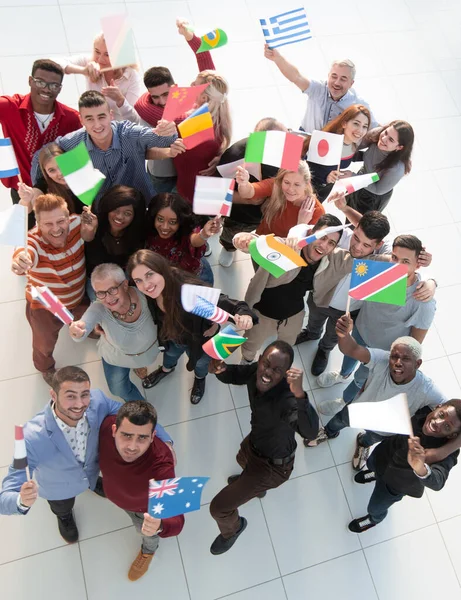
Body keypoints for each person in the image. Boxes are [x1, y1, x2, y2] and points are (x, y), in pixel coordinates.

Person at [0, 366, 173, 544]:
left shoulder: (97, 400)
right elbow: (6, 493)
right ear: (53, 395)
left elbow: (131, 414)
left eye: (84, 394)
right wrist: (21, 501)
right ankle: (64, 517)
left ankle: (92, 484)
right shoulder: (31, 437)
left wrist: (164, 440)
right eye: (70, 396)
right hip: (59, 489)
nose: (80, 404)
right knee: (62, 507)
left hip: (90, 471)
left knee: (93, 479)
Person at [208, 341, 318, 554]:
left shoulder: (288, 401)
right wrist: (221, 370)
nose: (268, 373)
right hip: (255, 443)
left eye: (277, 370)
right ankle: (255, 488)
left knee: (219, 508)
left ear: (286, 374)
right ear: (259, 361)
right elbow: (236, 374)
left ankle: (233, 530)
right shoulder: (256, 372)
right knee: (241, 458)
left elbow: (311, 432)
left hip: (273, 467)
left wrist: (300, 396)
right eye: (266, 364)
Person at [306, 319, 449, 468]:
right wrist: (344, 334)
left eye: (406, 359)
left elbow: (455, 413)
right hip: (359, 409)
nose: (398, 362)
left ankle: (363, 443)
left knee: (370, 438)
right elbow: (352, 349)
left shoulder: (426, 389)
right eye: (394, 356)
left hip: (385, 428)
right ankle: (329, 432)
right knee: (338, 421)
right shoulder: (382, 359)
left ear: (417, 364)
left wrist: (447, 449)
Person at [318, 234, 437, 408]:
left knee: (361, 379)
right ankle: (342, 374)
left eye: (405, 262)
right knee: (348, 356)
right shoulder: (381, 271)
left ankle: (344, 400)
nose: (396, 265)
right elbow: (368, 234)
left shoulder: (423, 301)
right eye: (394, 257)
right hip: (361, 329)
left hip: (381, 351)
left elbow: (414, 344)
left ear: (418, 264)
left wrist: (432, 281)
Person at [127, 250, 256, 404]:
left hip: (199, 339)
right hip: (171, 336)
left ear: (162, 269)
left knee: (201, 364)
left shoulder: (188, 290)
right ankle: (166, 369)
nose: (146, 285)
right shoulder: (148, 293)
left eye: (149, 275)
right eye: (138, 280)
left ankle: (200, 380)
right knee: (170, 354)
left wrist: (245, 315)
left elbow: (231, 304)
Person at [31, 90, 178, 211]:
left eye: (101, 117)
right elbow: (40, 157)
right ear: (81, 120)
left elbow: (165, 140)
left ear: (111, 115)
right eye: (89, 119)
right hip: (102, 213)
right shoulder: (73, 142)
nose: (97, 125)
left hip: (141, 207)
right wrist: (37, 187)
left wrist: (169, 129)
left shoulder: (128, 133)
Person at [11, 194, 98, 384]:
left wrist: (90, 231)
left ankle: (87, 329)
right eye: (48, 224)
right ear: (38, 224)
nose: (57, 229)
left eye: (61, 221)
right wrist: (20, 262)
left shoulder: (77, 224)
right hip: (47, 306)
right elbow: (24, 254)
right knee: (44, 343)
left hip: (77, 297)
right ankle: (45, 367)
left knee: (87, 324)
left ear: (68, 217)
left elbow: (89, 236)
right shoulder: (32, 241)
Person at [239, 215, 344, 364]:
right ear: (310, 234)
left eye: (331, 243)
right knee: (251, 344)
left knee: (286, 348)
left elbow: (356, 257)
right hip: (262, 310)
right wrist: (243, 238)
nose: (324, 245)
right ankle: (247, 360)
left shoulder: (328, 262)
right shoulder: (288, 247)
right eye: (322, 237)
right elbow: (258, 242)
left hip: (293, 315)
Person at [99, 401, 184, 581]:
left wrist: (160, 525)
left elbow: (177, 520)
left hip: (142, 511)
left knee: (148, 534)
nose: (132, 446)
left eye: (142, 438)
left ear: (153, 436)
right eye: (126, 435)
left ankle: (148, 551)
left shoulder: (162, 462)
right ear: (114, 430)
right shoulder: (104, 427)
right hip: (114, 490)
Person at [348, 400, 461, 533]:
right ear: (438, 407)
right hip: (382, 455)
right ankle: (374, 474)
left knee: (375, 507)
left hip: (395, 484)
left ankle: (374, 519)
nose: (438, 423)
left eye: (447, 427)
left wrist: (420, 467)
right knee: (371, 465)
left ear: (452, 435)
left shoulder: (449, 453)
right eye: (442, 415)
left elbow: (438, 482)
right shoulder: (423, 409)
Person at [134, 19, 216, 193]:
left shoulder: (192, 101)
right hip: (162, 175)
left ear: (175, 87)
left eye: (165, 94)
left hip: (192, 171)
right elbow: (143, 148)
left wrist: (191, 37)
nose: (162, 102)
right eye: (155, 97)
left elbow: (209, 73)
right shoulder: (145, 112)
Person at [0, 59, 81, 227]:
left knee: (61, 237)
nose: (46, 89)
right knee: (25, 238)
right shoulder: (9, 107)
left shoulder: (72, 118)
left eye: (53, 85)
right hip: (24, 191)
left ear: (60, 88)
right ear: (30, 81)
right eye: (40, 82)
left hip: (59, 192)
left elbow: (78, 159)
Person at [69, 263, 160, 397]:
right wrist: (77, 331)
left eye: (112, 289)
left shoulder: (145, 295)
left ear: (124, 285)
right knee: (117, 389)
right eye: (101, 293)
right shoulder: (98, 308)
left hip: (147, 353)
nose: (108, 298)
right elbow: (82, 328)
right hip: (117, 357)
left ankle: (137, 365)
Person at [216, 117, 287, 268]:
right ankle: (228, 247)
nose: (283, 149)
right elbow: (215, 190)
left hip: (270, 214)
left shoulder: (288, 150)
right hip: (241, 214)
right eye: (276, 144)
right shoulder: (235, 155)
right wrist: (246, 199)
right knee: (232, 233)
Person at [263, 46, 377, 133]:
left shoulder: (358, 104)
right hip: (304, 138)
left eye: (343, 79)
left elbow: (375, 129)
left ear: (351, 83)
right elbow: (296, 77)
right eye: (334, 76)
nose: (337, 82)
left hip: (331, 151)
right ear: (328, 76)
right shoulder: (318, 88)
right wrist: (277, 58)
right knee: (268, 132)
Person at [56, 32, 143, 122]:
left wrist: (120, 100)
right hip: (92, 126)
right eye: (97, 52)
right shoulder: (90, 62)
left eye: (107, 54)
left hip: (119, 130)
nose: (100, 59)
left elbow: (134, 121)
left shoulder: (131, 76)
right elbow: (53, 63)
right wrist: (83, 70)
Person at [173, 70, 233, 203]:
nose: (191, 84)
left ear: (204, 98)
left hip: (190, 191)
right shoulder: (220, 121)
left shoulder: (192, 125)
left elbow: (147, 110)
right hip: (206, 188)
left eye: (195, 85)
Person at [235, 161, 325, 239]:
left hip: (284, 254)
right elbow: (248, 192)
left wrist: (300, 225)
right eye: (286, 182)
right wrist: (243, 183)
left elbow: (307, 248)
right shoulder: (276, 186)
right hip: (260, 242)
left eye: (297, 184)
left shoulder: (317, 211)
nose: (290, 189)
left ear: (306, 184)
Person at [84, 185, 147, 295]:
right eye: (115, 210)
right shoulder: (95, 225)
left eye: (127, 213)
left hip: (123, 278)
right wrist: (89, 230)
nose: (119, 217)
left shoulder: (138, 232)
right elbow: (87, 239)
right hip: (97, 279)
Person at [146, 192, 220, 285]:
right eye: (160, 219)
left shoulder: (186, 232)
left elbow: (194, 240)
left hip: (192, 278)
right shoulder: (148, 229)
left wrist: (204, 234)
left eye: (172, 222)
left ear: (180, 222)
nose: (165, 227)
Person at [345, 120, 414, 214]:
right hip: (362, 177)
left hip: (371, 196)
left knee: (354, 222)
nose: (384, 138)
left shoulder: (397, 169)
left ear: (399, 147)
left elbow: (378, 189)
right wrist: (346, 155)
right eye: (386, 132)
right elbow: (359, 150)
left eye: (391, 140)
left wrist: (353, 177)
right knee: (346, 207)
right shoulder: (376, 134)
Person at [304, 104, 371, 201]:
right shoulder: (326, 140)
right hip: (305, 188)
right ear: (344, 123)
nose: (360, 130)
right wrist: (326, 177)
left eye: (365, 126)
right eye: (356, 123)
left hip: (322, 192)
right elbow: (304, 163)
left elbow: (353, 157)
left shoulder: (353, 145)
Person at [18, 143, 86, 219]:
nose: (60, 173)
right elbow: (22, 213)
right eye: (52, 170)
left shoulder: (84, 176)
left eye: (62, 165)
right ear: (46, 173)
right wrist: (25, 200)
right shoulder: (43, 187)